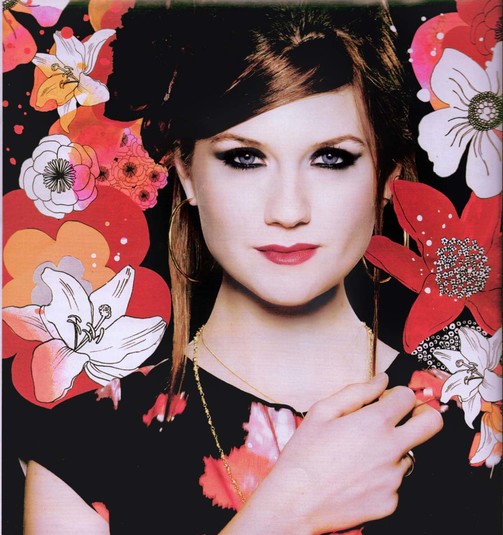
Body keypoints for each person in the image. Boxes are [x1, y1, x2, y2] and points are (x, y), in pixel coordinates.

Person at [21, 2, 500, 534]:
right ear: (186, 173)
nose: (288, 210)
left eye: (332, 158)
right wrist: (286, 511)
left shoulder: (479, 421)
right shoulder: (85, 453)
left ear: (386, 178)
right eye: (244, 158)